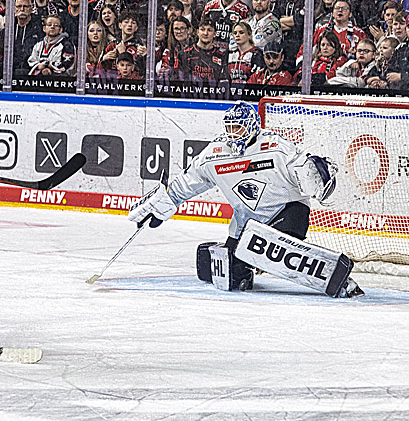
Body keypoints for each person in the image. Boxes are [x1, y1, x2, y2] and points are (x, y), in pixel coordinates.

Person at [128, 102, 360, 297]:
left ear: (251, 127)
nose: (233, 134)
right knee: (214, 269)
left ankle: (330, 276)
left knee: (261, 248)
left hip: (288, 214)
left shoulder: (276, 147)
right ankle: (246, 268)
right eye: (229, 128)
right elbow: (187, 182)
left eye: (238, 128)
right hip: (246, 224)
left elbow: (305, 168)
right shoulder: (214, 155)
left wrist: (317, 174)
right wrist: (162, 204)